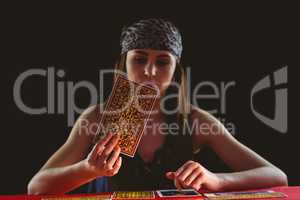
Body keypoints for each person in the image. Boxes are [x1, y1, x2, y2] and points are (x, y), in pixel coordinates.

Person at [27, 18, 288, 195]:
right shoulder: (97, 117)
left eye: (162, 62)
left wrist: (216, 180)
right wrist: (87, 169)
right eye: (139, 59)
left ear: (175, 72)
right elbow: (36, 187)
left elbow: (277, 177)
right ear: (123, 64)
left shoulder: (194, 120)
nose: (150, 71)